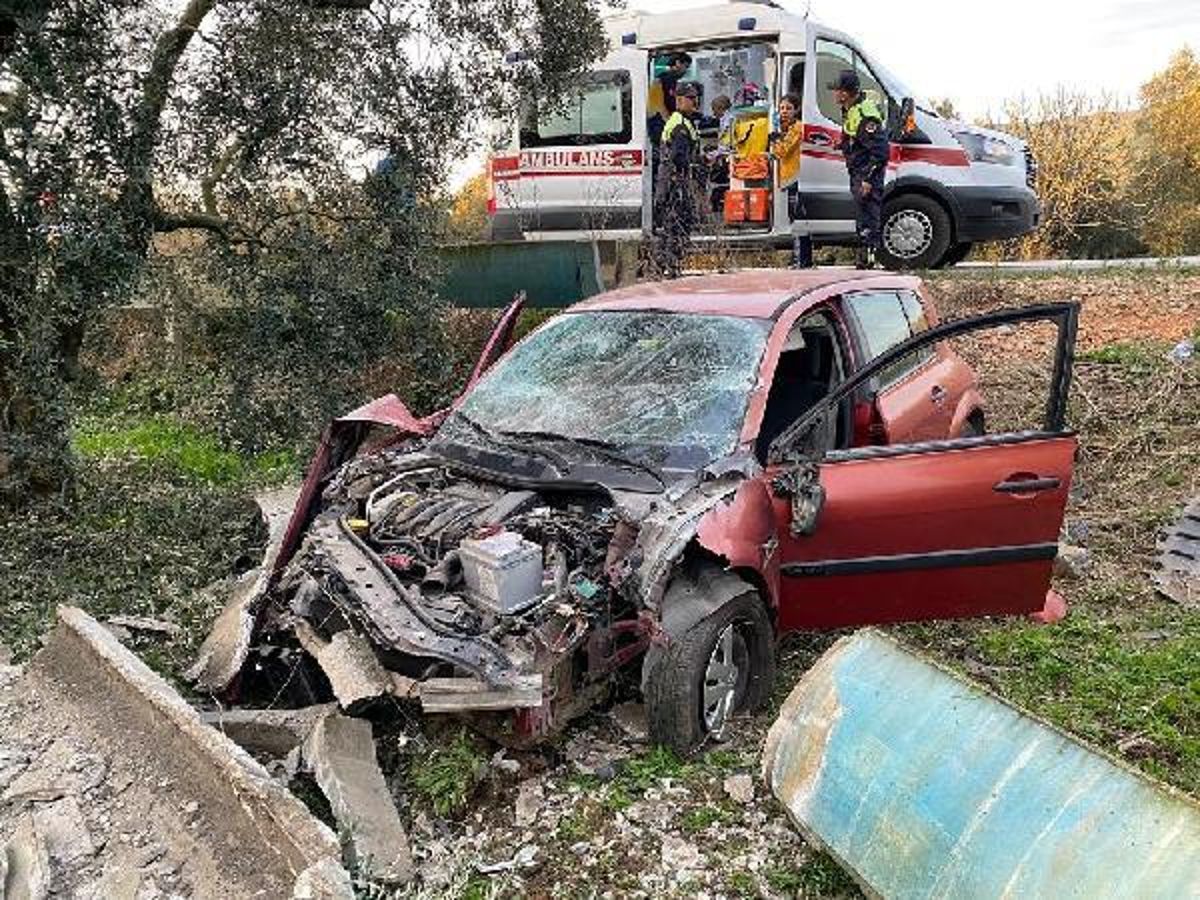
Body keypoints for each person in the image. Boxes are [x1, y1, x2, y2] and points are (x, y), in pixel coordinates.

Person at [828, 69, 889, 268]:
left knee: (869, 215)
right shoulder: (851, 108)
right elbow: (856, 137)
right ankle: (864, 259)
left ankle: (871, 260)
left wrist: (868, 179)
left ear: (845, 93)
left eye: (836, 90)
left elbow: (880, 152)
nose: (834, 93)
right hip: (858, 171)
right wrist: (842, 144)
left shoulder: (865, 114)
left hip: (867, 173)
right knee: (863, 215)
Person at [652, 82, 701, 278]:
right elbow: (679, 158)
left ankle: (661, 267)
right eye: (691, 98)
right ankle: (671, 268)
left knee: (670, 227)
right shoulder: (680, 125)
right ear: (679, 100)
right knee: (677, 226)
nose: (695, 101)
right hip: (675, 184)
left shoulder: (680, 121)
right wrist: (698, 166)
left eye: (696, 97)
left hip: (669, 182)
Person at [769, 93, 813, 268]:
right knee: (794, 220)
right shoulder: (785, 129)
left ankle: (802, 259)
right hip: (787, 179)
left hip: (796, 177)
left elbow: (781, 151)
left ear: (796, 110)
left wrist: (775, 138)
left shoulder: (797, 128)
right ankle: (801, 258)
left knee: (798, 220)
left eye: (788, 108)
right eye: (781, 108)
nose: (784, 112)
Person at [646, 52, 693, 146]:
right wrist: (670, 122)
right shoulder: (662, 80)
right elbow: (659, 105)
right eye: (686, 66)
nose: (686, 71)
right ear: (678, 63)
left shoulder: (672, 81)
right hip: (659, 124)